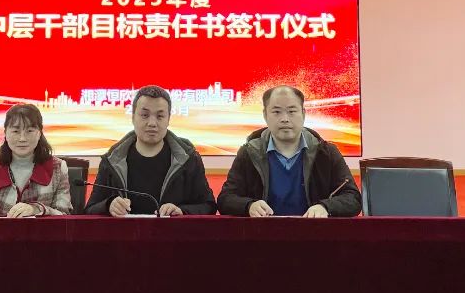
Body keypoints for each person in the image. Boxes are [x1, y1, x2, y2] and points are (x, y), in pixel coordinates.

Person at [217, 85, 361, 217]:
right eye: (276, 112)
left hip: (315, 233)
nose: (285, 119)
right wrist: (249, 206)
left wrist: (325, 207)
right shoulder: (249, 152)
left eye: (292, 111)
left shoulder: (326, 153)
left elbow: (353, 198)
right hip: (261, 233)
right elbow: (225, 199)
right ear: (265, 115)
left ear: (303, 114)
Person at [84, 85, 216, 217]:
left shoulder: (189, 159)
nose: (152, 123)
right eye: (145, 115)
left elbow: (208, 206)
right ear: (133, 118)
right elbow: (90, 209)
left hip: (173, 230)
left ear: (168, 119)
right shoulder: (112, 160)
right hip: (125, 230)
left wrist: (182, 211)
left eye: (160, 116)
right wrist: (108, 205)